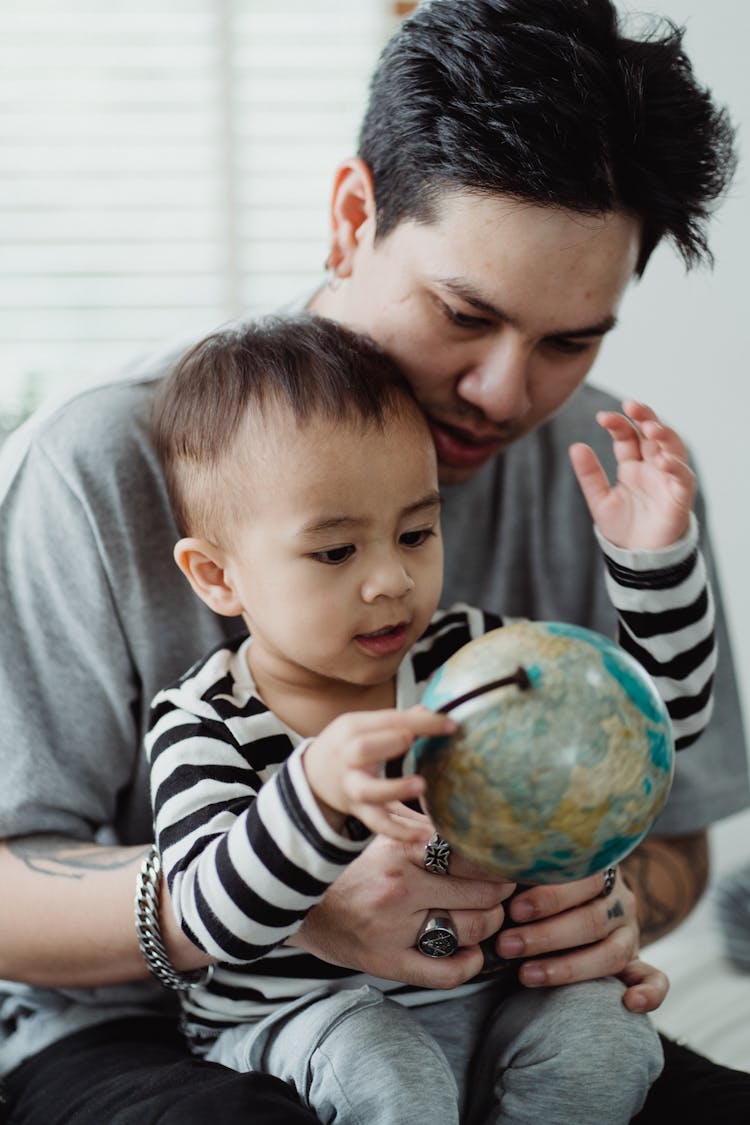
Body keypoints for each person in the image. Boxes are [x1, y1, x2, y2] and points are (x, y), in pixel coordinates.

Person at [0, 1, 747, 1122]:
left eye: (569, 339)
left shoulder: (616, 476)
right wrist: (300, 903)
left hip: (489, 998)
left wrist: (604, 904)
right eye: (463, 312)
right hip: (134, 1025)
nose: (505, 393)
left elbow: (676, 825)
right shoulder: (98, 463)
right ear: (354, 215)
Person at [146, 313, 712, 1124]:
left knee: (608, 1037)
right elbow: (207, 917)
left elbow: (655, 729)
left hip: (494, 996)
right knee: (388, 1071)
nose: (390, 580)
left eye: (416, 532)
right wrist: (314, 794)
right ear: (217, 575)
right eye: (336, 551)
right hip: (301, 1024)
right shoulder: (206, 721)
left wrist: (654, 557)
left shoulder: (473, 657)